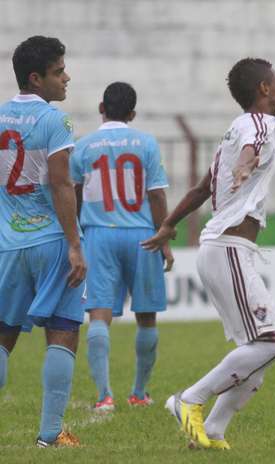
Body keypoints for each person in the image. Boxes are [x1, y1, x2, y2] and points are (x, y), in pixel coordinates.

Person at [142, 57, 275, 450]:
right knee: (270, 343)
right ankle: (189, 400)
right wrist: (245, 167)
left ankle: (216, 429)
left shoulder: (238, 128)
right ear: (263, 89)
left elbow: (202, 188)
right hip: (227, 248)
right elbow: (250, 153)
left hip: (223, 248)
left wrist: (169, 223)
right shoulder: (256, 126)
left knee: (256, 353)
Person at [0, 36, 87, 447]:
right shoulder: (57, 121)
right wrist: (74, 244)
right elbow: (60, 183)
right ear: (36, 79)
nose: (66, 77)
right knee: (64, 328)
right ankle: (50, 434)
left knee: (3, 334)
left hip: (7, 243)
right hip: (51, 240)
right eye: (59, 71)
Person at [70, 82, 173, 412]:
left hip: (98, 233)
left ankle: (104, 396)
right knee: (146, 316)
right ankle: (139, 393)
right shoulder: (146, 143)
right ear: (132, 113)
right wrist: (164, 238)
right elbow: (156, 194)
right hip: (142, 235)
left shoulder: (83, 146)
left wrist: (74, 240)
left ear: (102, 107)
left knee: (98, 313)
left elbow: (72, 196)